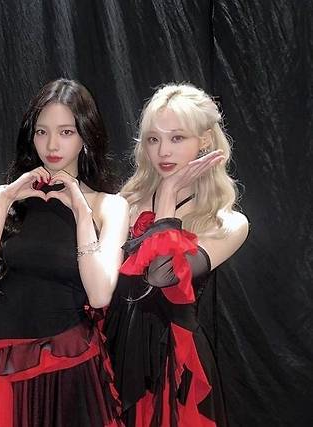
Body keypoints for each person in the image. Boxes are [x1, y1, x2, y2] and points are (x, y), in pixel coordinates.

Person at [0, 78, 128, 427]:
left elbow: (99, 294)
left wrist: (80, 210)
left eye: (66, 132)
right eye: (42, 132)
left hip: (69, 365)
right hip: (6, 362)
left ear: (85, 135)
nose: (52, 145)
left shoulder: (109, 206)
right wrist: (4, 199)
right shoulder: (6, 197)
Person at [104, 83, 249, 426]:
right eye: (153, 139)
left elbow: (161, 276)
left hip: (173, 361)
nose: (163, 151)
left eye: (177, 138)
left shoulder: (227, 223)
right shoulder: (124, 203)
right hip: (114, 346)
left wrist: (167, 197)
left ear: (205, 140)